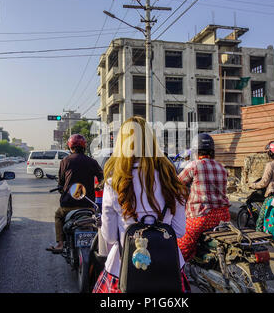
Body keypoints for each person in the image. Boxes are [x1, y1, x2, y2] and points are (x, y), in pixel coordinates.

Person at [92, 116, 190, 293]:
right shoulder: (171, 181)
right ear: (152, 141)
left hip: (122, 271)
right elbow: (180, 231)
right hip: (168, 269)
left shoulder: (113, 183)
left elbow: (110, 238)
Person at [177, 133, 230, 262]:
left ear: (195, 152)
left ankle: (179, 272)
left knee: (181, 246)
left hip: (202, 217)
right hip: (223, 216)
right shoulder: (222, 168)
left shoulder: (194, 165)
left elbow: (176, 184)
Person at [46, 134, 103, 253]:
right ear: (84, 147)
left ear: (70, 147)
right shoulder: (92, 161)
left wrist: (62, 188)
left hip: (68, 205)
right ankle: (99, 245)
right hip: (88, 205)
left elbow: (61, 182)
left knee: (58, 216)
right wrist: (96, 187)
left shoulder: (65, 161)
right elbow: (102, 179)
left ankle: (60, 244)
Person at [250, 141, 274, 231]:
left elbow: (264, 182)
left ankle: (258, 236)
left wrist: (253, 185)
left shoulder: (270, 165)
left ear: (271, 153)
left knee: (261, 219)